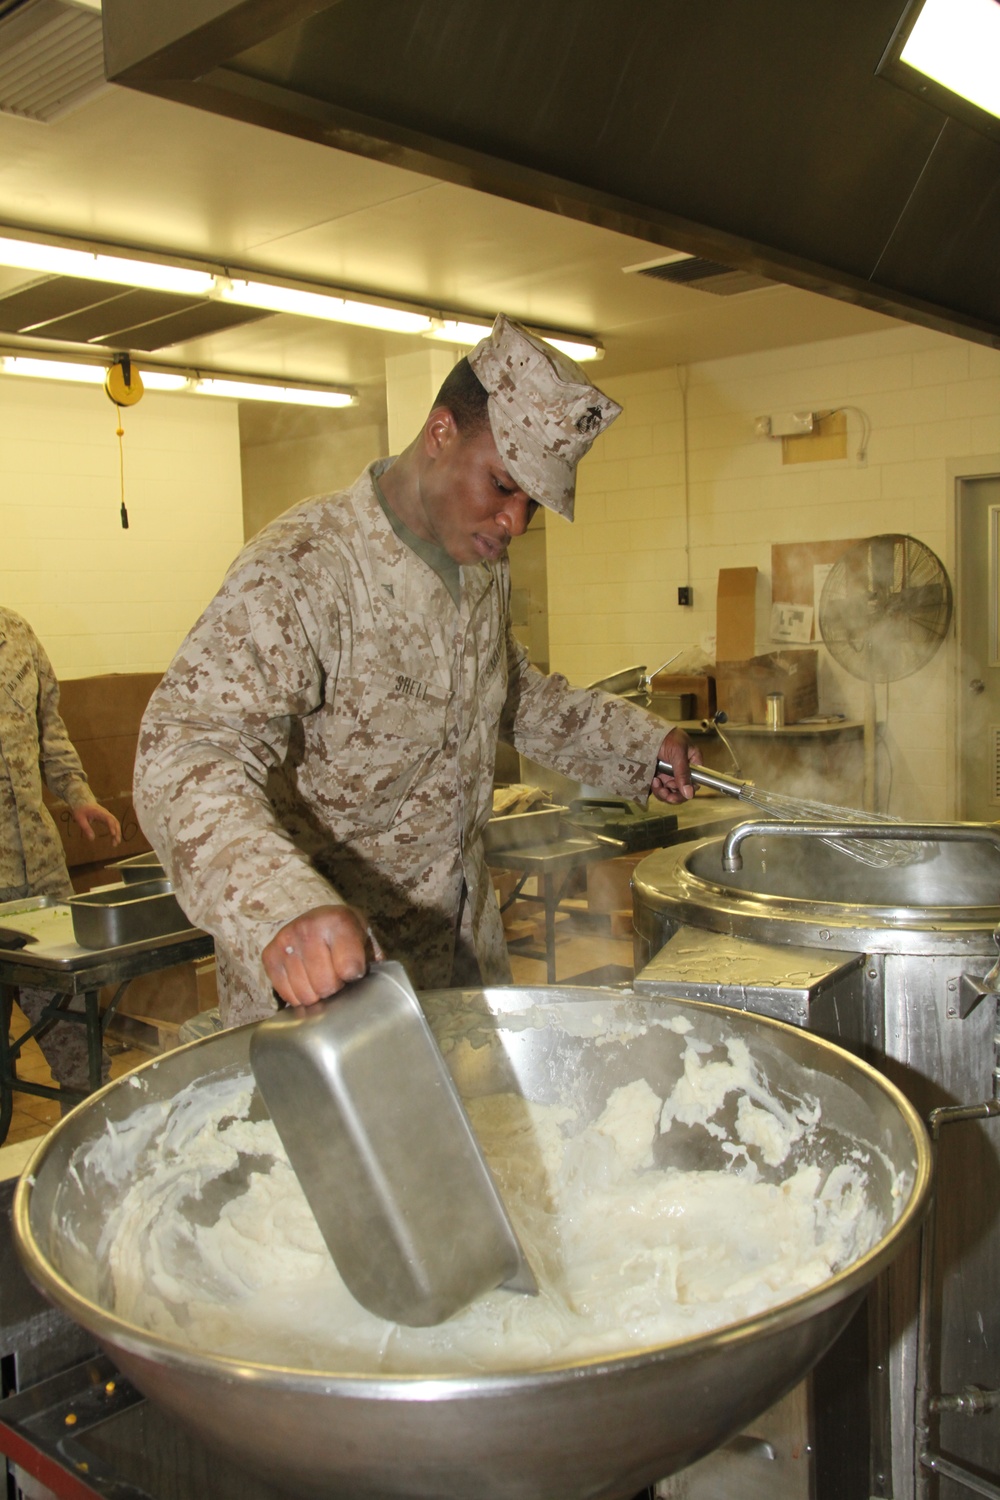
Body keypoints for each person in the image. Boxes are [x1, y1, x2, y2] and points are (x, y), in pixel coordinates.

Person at [134, 315, 699, 1026]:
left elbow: (512, 693)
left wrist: (639, 749)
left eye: (533, 504)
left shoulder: (478, 568)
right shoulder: (308, 569)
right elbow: (187, 746)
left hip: (461, 963)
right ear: (440, 435)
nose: (516, 522)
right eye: (502, 485)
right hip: (336, 990)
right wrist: (281, 905)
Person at [1, 607, 121, 1100]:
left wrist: (78, 795)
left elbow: (49, 727)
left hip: (40, 874)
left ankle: (96, 1146)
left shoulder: (17, 634)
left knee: (74, 1030)